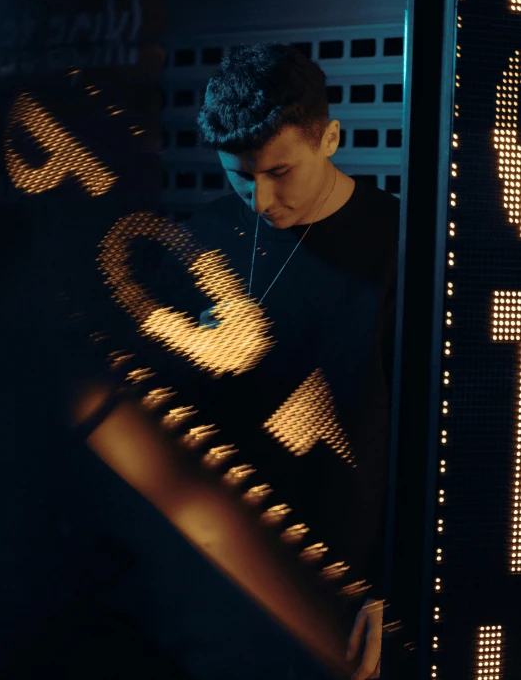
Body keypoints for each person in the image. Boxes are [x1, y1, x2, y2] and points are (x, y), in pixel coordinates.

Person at [157, 43, 400, 680]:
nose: (260, 201)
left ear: (331, 139)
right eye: (239, 176)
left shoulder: (403, 247)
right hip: (213, 584)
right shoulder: (204, 235)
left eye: (279, 172)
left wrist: (393, 587)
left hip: (336, 594)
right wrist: (192, 357)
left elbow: (436, 441)